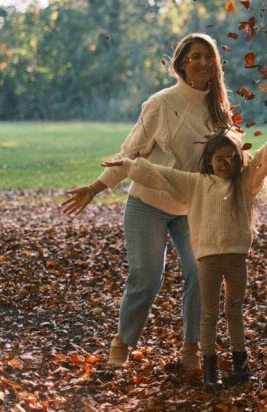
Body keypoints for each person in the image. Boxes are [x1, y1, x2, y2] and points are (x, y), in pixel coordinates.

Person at [61, 33, 231, 375]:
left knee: (201, 271)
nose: (202, 63)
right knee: (146, 277)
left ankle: (191, 348)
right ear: (181, 63)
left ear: (215, 64)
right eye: (195, 56)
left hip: (190, 207)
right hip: (147, 205)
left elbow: (229, 158)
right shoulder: (161, 103)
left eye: (207, 57)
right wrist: (95, 188)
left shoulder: (219, 107)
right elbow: (129, 154)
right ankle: (122, 345)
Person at [98, 120, 267, 390]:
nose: (225, 164)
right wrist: (129, 166)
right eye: (219, 159)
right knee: (209, 314)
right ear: (208, 161)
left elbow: (265, 153)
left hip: (237, 259)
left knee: (235, 310)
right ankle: (210, 366)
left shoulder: (245, 182)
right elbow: (160, 175)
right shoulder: (197, 184)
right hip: (209, 261)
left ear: (238, 160)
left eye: (230, 158)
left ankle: (240, 362)